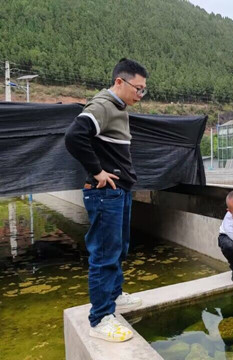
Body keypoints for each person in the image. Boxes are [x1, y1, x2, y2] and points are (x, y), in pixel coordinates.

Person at [65, 58, 148, 342]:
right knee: (103, 255)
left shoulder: (119, 108)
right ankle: (100, 318)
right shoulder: (102, 105)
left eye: (143, 90)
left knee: (119, 247)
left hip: (119, 191)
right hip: (105, 193)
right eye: (138, 88)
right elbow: (74, 136)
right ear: (119, 82)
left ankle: (114, 296)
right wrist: (97, 171)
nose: (140, 95)